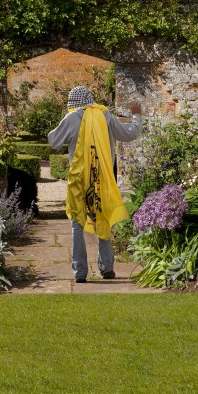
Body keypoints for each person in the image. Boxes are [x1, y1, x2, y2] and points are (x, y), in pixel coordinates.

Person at [47, 86, 143, 283]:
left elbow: (53, 141)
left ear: (73, 102)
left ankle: (80, 273)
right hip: (102, 179)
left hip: (79, 180)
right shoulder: (105, 116)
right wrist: (136, 115)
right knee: (103, 220)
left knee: (77, 225)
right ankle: (107, 268)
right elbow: (130, 133)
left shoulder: (72, 118)